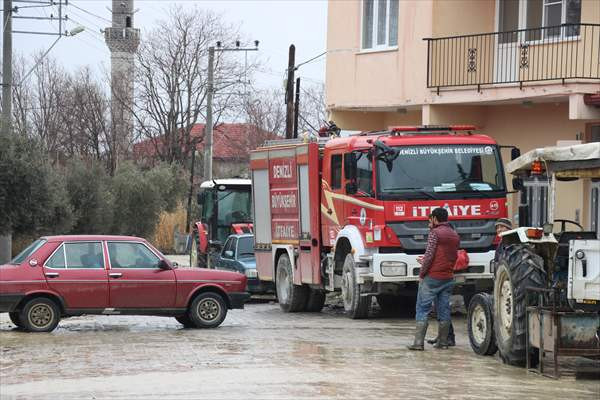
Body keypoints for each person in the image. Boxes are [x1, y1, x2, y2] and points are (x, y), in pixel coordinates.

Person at [407, 207, 460, 351]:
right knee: (444, 309)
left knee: (422, 308)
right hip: (448, 276)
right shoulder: (454, 234)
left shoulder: (435, 233)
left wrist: (422, 272)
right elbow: (452, 255)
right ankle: (443, 343)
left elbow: (430, 254)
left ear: (435, 219)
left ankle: (418, 343)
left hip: (432, 276)